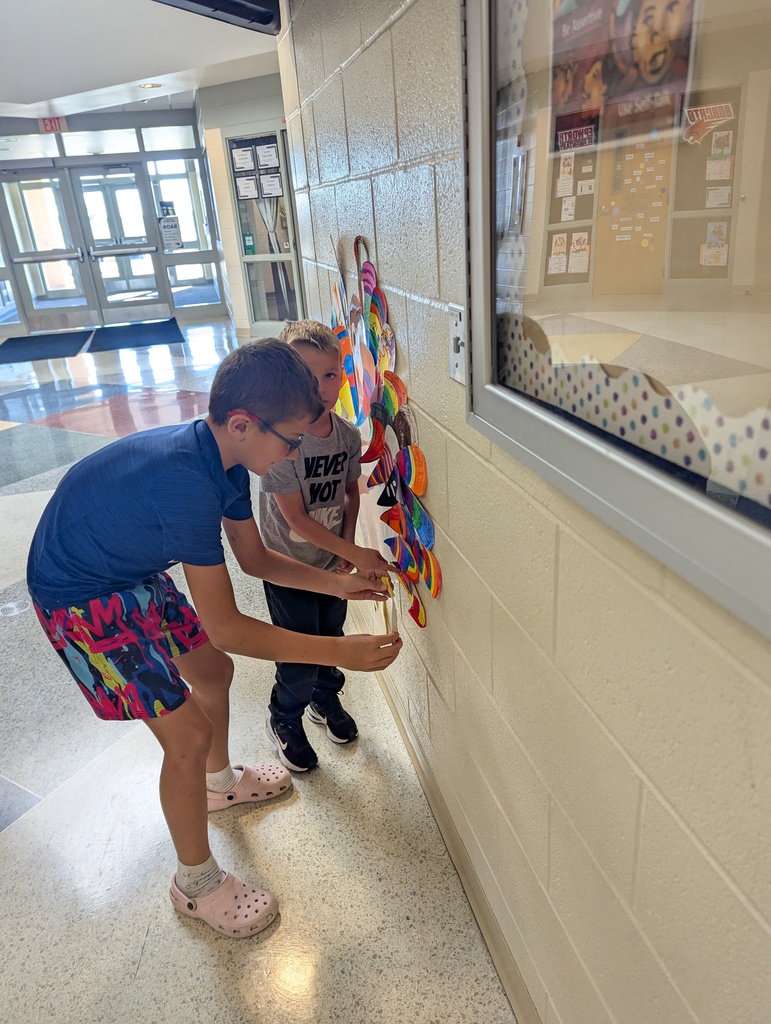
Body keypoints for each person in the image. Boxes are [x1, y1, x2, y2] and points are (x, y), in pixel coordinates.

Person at [26, 339, 401, 939]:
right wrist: (339, 653)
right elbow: (228, 626)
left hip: (126, 570)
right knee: (187, 732)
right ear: (242, 423)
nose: (295, 451)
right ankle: (193, 884)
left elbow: (255, 560)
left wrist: (339, 584)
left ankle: (218, 786)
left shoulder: (223, 461)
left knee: (213, 674)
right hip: (79, 597)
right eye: (290, 438)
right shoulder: (189, 485)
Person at [259, 320, 393, 772]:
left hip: (332, 563)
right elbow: (294, 517)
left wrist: (346, 548)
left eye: (330, 375)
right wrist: (355, 557)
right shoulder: (279, 444)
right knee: (300, 649)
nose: (320, 387)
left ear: (343, 376)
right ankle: (284, 718)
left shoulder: (347, 436)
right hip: (289, 567)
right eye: (306, 374)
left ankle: (323, 700)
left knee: (330, 637)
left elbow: (352, 494)